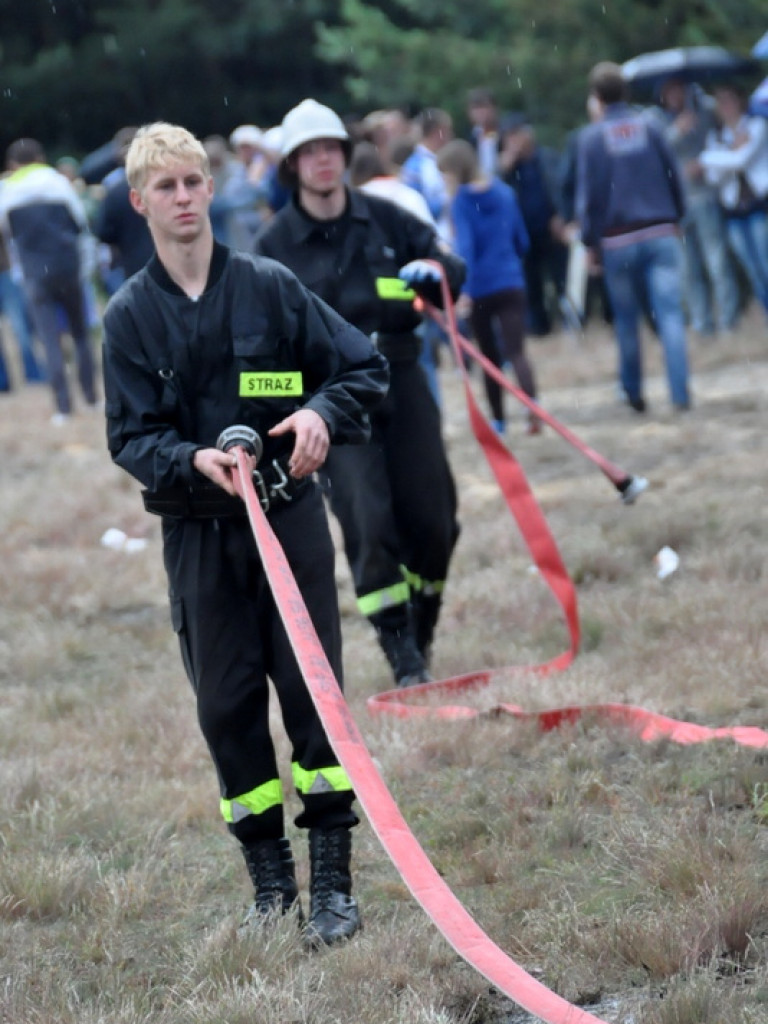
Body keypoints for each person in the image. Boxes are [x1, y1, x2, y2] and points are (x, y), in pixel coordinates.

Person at [102, 121, 389, 945]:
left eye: (195, 182)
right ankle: (271, 887)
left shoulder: (268, 286)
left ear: (212, 188)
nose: (186, 198)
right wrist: (190, 457)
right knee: (227, 707)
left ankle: (332, 883)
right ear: (140, 203)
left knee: (311, 697)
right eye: (168, 187)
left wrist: (317, 413)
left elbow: (359, 364)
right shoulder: (128, 319)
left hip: (289, 521)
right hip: (200, 537)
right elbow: (128, 437)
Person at [255, 99, 465, 688]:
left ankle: (422, 624)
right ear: (292, 166)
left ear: (345, 156)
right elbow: (257, 353)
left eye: (331, 149)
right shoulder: (272, 250)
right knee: (369, 524)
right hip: (333, 401)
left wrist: (439, 272)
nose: (322, 161)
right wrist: (286, 409)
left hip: (404, 375)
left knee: (436, 520)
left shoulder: (388, 218)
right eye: (309, 153)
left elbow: (450, 265)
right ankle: (401, 652)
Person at [577, 62, 691, 413]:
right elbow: (674, 174)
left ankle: (633, 393)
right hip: (660, 230)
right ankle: (680, 396)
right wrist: (678, 215)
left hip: (618, 240)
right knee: (670, 316)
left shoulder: (592, 138)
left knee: (627, 322)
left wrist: (589, 243)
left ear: (596, 97)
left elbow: (590, 198)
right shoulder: (652, 126)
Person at [437, 139, 540, 437]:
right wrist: (508, 262)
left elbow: (466, 247)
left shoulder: (460, 202)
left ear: (456, 171)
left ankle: (499, 421)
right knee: (517, 351)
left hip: (480, 288)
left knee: (488, 357)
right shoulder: (505, 193)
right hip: (510, 281)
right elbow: (522, 239)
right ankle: (532, 408)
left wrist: (464, 288)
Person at [0, 137, 98, 424]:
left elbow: (7, 237)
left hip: (34, 273)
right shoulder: (57, 181)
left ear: (12, 163)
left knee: (49, 339)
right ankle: (91, 397)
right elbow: (80, 224)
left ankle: (63, 407)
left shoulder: (8, 190)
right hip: (67, 267)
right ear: (40, 156)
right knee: (80, 334)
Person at [653, 78, 741, 337]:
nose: (674, 95)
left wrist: (705, 162)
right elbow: (656, 154)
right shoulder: (658, 122)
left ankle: (729, 321)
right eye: (669, 91)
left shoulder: (705, 112)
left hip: (705, 196)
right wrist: (677, 131)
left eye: (678, 89)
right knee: (688, 269)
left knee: (717, 261)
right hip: (675, 204)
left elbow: (722, 138)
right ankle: (702, 324)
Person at [698, 84, 768, 319]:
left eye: (730, 101)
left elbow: (741, 161)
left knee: (765, 264)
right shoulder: (717, 135)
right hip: (734, 210)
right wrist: (727, 150)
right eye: (721, 103)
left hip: (759, 206)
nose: (726, 107)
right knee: (751, 268)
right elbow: (711, 173)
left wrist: (718, 157)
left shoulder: (756, 125)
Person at [498, 114, 569, 337]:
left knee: (562, 278)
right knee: (531, 283)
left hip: (551, 229)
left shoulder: (547, 158)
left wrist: (562, 216)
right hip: (522, 233)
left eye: (517, 135)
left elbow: (565, 189)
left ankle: (571, 321)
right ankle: (539, 328)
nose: (514, 142)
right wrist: (504, 169)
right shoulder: (506, 168)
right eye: (509, 137)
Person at [466, 87, 501, 178]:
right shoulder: (471, 139)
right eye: (476, 108)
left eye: (484, 107)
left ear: (494, 109)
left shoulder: (507, 134)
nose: (480, 112)